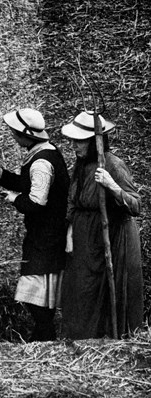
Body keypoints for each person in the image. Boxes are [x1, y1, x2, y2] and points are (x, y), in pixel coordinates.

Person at [0, 108, 70, 341]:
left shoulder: (42, 162)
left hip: (47, 236)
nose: (12, 136)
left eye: (15, 133)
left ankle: (45, 334)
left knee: (33, 287)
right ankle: (43, 333)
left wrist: (13, 199)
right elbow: (27, 184)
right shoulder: (43, 152)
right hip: (46, 233)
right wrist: (1, 173)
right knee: (40, 289)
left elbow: (35, 202)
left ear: (26, 134)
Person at [60, 111, 144, 339]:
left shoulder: (114, 165)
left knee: (110, 292)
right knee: (82, 290)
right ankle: (84, 342)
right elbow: (72, 200)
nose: (74, 146)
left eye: (80, 141)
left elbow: (135, 205)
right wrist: (69, 232)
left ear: (95, 140)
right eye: (73, 140)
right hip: (86, 238)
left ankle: (113, 342)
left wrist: (111, 185)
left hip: (113, 236)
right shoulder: (80, 165)